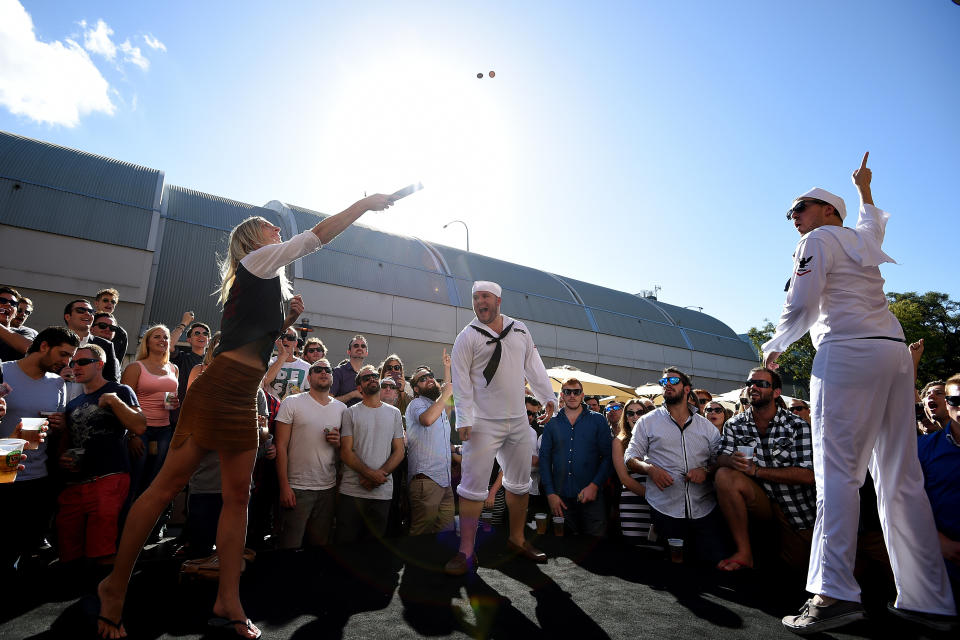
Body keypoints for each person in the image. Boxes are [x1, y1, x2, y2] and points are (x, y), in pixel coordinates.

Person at [96, 193, 395, 640]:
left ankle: (228, 599)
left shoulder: (266, 278)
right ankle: (113, 587)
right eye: (269, 227)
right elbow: (316, 237)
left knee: (240, 500)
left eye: (276, 228)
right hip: (220, 387)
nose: (277, 230)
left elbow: (256, 330)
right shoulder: (259, 261)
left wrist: (287, 315)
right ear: (253, 240)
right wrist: (363, 204)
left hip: (244, 392)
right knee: (163, 488)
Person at [763, 153, 956, 633]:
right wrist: (866, 188)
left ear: (829, 210)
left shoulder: (818, 238)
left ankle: (832, 594)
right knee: (901, 479)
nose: (794, 219)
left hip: (848, 352)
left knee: (837, 476)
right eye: (792, 214)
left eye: (801, 208)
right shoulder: (857, 238)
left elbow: (801, 304)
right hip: (892, 353)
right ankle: (928, 600)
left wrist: (773, 347)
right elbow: (874, 228)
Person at [445, 280, 556, 575]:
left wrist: (548, 397)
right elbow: (461, 380)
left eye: (485, 297)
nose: (479, 302)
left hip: (519, 420)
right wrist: (465, 419)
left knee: (520, 484)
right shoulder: (466, 337)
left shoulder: (519, 329)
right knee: (471, 488)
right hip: (482, 423)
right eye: (475, 298)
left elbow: (534, 364)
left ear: (498, 301)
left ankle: (517, 539)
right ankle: (466, 551)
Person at [714, 368, 815, 572]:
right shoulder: (734, 424)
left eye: (762, 384)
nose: (754, 387)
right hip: (758, 501)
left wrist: (757, 471)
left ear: (776, 392)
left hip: (796, 510)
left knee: (797, 569)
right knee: (724, 474)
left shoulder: (797, 426)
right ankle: (744, 552)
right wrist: (730, 460)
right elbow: (718, 459)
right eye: (750, 383)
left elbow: (808, 475)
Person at [624, 368, 727, 566]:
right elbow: (630, 457)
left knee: (710, 567)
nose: (667, 384)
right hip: (664, 508)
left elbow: (720, 460)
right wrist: (650, 470)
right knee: (671, 571)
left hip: (704, 509)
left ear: (687, 389)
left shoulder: (705, 426)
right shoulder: (647, 422)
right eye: (664, 382)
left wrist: (705, 471)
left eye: (673, 380)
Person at [0, 327, 78, 578]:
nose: (66, 362)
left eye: (70, 357)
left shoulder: (57, 382)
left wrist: (61, 425)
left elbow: (58, 424)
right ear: (44, 346)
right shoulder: (4, 370)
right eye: (63, 354)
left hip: (38, 472)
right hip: (4, 464)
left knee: (22, 542)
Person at [57, 344, 145, 566]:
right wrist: (64, 454)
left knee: (102, 548)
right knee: (68, 546)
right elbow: (70, 441)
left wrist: (114, 401)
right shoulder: (73, 403)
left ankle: (101, 596)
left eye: (83, 362)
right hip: (76, 482)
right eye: (73, 363)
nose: (76, 367)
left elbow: (140, 425)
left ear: (99, 364)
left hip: (109, 477)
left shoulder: (120, 391)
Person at [274, 359, 344, 549]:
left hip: (327, 489)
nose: (323, 372)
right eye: (318, 369)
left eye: (327, 369)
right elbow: (280, 446)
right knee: (290, 546)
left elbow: (345, 452)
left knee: (319, 548)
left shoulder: (341, 409)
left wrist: (339, 443)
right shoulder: (292, 402)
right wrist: (284, 487)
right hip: (297, 488)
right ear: (309, 376)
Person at [336, 364, 405, 543]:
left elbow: (399, 451)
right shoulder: (350, 413)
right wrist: (370, 474)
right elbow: (345, 451)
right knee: (346, 544)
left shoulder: (395, 413)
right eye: (367, 378)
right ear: (359, 387)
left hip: (382, 492)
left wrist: (378, 476)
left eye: (375, 375)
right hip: (352, 490)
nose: (373, 378)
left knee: (374, 548)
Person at [540, 378, 613, 536]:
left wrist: (594, 485)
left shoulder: (598, 420)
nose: (572, 395)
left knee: (594, 548)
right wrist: (550, 493)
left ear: (582, 395)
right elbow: (544, 460)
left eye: (576, 392)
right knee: (564, 549)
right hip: (561, 498)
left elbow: (608, 457)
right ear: (562, 396)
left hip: (592, 497)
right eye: (567, 392)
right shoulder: (552, 424)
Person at [121, 326, 179, 515]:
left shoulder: (173, 368)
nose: (162, 340)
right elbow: (124, 404)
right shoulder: (135, 367)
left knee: (154, 481)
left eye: (166, 337)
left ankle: (146, 526)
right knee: (135, 480)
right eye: (157, 337)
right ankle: (124, 526)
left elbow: (170, 401)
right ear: (147, 341)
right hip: (140, 430)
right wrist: (131, 434)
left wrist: (173, 404)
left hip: (164, 430)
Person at [917, 373, 960, 610]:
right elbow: (909, 500)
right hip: (939, 566)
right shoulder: (923, 448)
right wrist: (937, 540)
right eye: (955, 400)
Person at [405, 355, 456, 535]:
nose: (429, 380)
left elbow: (446, 402)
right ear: (416, 388)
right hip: (425, 481)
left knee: (445, 533)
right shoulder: (416, 404)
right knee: (421, 534)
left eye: (431, 376)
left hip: (444, 481)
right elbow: (427, 419)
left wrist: (447, 368)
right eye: (422, 379)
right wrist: (445, 394)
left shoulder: (438, 406)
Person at [611, 399, 654, 544]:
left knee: (657, 548)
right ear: (626, 417)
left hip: (661, 501)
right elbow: (624, 478)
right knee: (635, 549)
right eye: (630, 413)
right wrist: (650, 496)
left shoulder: (656, 438)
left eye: (640, 412)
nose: (635, 416)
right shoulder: (619, 441)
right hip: (633, 500)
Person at [264, 329, 311, 400]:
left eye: (290, 337)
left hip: (293, 408)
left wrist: (300, 395)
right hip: (271, 408)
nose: (285, 340)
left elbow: (311, 395)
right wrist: (282, 357)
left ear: (295, 343)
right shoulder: (269, 362)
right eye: (282, 337)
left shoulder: (307, 367)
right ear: (277, 341)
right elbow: (265, 382)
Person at [331, 335, 369, 407]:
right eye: (356, 346)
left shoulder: (370, 375)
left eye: (363, 346)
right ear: (349, 352)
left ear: (366, 353)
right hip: (342, 416)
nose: (360, 348)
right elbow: (328, 400)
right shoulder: (338, 372)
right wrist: (352, 395)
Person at [94, 289, 128, 361]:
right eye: (105, 300)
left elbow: (118, 361)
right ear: (96, 303)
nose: (110, 304)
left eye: (113, 302)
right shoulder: (85, 323)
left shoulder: (121, 333)